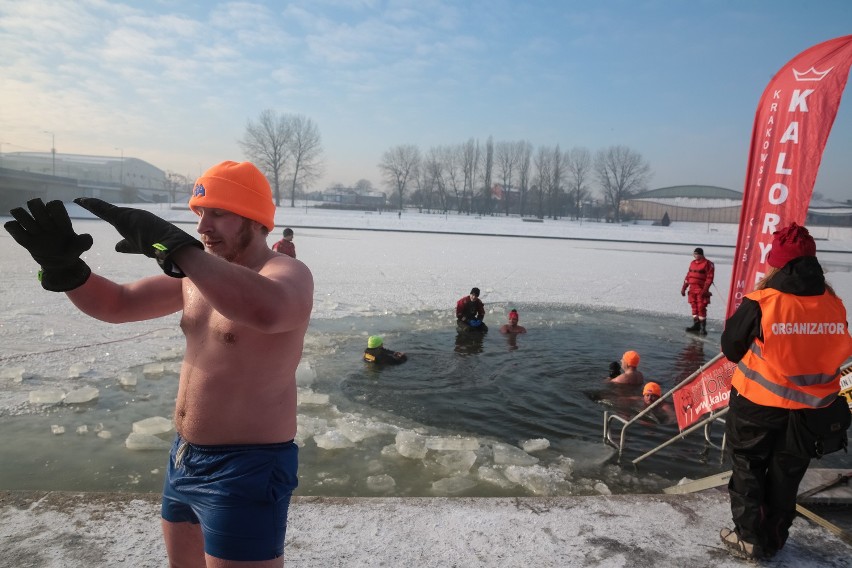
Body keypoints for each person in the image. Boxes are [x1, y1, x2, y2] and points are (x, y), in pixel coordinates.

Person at [4, 160, 314, 567]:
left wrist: (181, 251)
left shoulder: (285, 272)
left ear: (255, 218)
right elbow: (118, 303)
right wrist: (68, 270)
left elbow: (267, 311)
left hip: (247, 468)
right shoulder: (194, 275)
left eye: (218, 213)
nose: (203, 227)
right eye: (199, 213)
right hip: (184, 459)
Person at [719, 222, 852, 561]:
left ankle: (748, 537)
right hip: (813, 410)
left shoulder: (763, 302)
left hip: (758, 404)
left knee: (748, 466)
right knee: (787, 474)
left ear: (776, 262)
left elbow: (732, 348)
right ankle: (775, 537)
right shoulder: (833, 303)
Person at [681, 247, 714, 335]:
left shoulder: (708, 264)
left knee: (701, 307)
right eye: (694, 254)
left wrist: (705, 289)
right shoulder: (692, 263)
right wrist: (684, 287)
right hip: (692, 289)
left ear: (701, 254)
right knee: (694, 307)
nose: (695, 256)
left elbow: (709, 278)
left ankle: (703, 328)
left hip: (701, 290)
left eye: (697, 254)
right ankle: (696, 325)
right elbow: (688, 276)